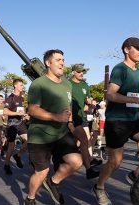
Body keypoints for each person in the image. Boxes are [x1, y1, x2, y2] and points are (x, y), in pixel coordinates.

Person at [91, 37, 139, 205]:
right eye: (138, 48)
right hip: (117, 121)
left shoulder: (137, 72)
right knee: (115, 162)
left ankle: (135, 175)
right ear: (127, 50)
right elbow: (110, 95)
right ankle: (99, 188)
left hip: (134, 119)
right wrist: (138, 102)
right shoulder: (120, 69)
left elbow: (136, 96)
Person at [24, 49, 83, 205]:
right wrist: (56, 117)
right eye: (58, 60)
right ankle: (30, 198)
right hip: (40, 136)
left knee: (76, 161)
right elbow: (33, 109)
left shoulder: (67, 84)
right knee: (42, 172)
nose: (62, 62)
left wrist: (69, 123)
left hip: (61, 133)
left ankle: (54, 182)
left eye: (63, 59)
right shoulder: (39, 84)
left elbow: (67, 106)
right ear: (48, 63)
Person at [69, 64, 101, 179]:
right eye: (79, 71)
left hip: (81, 117)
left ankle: (89, 166)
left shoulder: (85, 85)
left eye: (82, 71)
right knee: (77, 140)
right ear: (73, 72)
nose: (81, 73)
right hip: (69, 118)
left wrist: (90, 103)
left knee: (85, 139)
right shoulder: (68, 84)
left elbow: (88, 101)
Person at [3, 79, 29, 175]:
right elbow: (5, 111)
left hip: (20, 124)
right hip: (11, 125)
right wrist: (17, 113)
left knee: (29, 140)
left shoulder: (22, 97)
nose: (22, 87)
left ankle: (18, 156)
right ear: (15, 86)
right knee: (11, 147)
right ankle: (6, 165)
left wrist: (25, 115)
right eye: (21, 85)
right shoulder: (10, 98)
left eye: (23, 85)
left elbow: (21, 110)